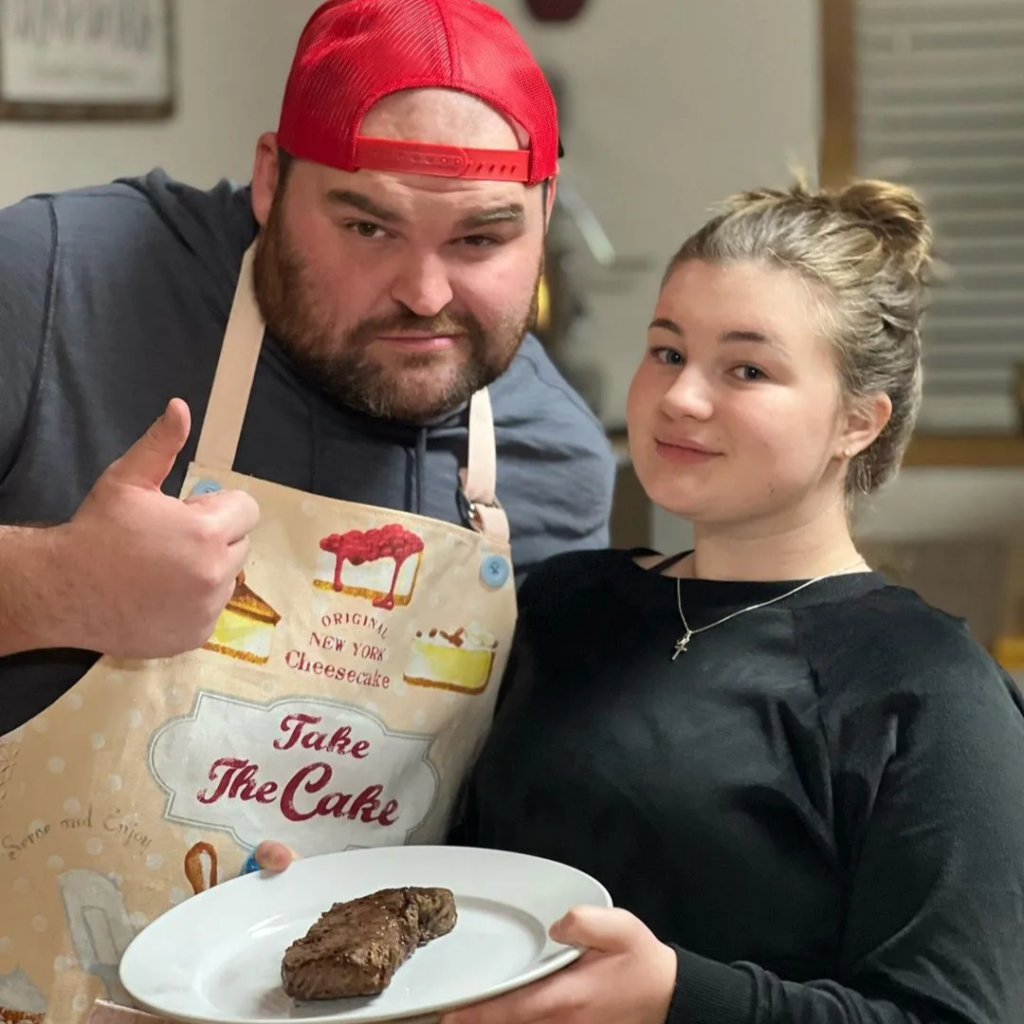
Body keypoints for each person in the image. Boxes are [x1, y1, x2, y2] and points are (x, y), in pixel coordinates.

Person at [0, 3, 614, 1022]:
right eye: (367, 225)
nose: (423, 292)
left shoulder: (552, 463)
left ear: (545, 215)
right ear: (272, 180)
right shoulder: (54, 283)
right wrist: (47, 588)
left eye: (480, 237)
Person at [441, 179, 1024, 1024]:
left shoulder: (930, 687)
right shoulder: (568, 603)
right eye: (668, 351)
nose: (680, 397)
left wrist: (677, 996)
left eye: (747, 368)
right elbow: (470, 872)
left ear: (857, 422)